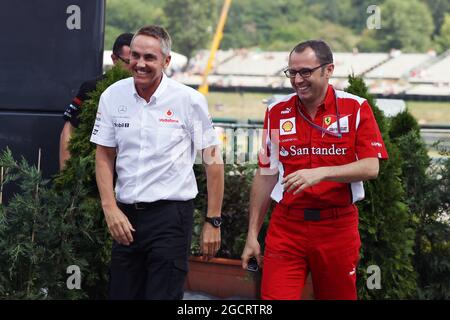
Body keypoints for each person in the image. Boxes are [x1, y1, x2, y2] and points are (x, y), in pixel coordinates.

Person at [241, 40, 388, 300]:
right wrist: (252, 235)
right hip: (286, 226)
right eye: (292, 73)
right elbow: (266, 173)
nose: (297, 80)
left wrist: (321, 172)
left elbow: (371, 166)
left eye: (305, 72)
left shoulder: (356, 107)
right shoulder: (275, 111)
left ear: (328, 70)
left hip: (337, 227)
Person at [90, 25, 224, 300]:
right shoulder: (112, 96)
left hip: (170, 218)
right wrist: (110, 208)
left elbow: (213, 161)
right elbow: (104, 154)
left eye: (149, 57)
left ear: (166, 61)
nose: (140, 64)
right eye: (135, 56)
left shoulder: (189, 101)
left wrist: (213, 221)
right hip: (125, 217)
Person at [59, 33, 134, 170]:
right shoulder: (92, 87)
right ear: (114, 59)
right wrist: (65, 175)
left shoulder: (146, 90)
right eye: (128, 62)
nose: (135, 67)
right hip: (95, 167)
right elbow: (69, 131)